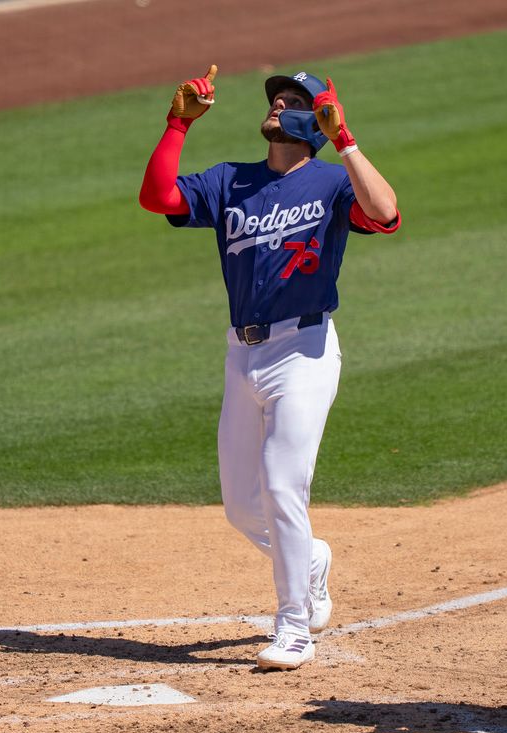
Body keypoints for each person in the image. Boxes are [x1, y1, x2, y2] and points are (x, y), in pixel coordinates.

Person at [139, 66, 400, 670]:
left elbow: (385, 213)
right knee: (241, 505)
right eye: (276, 98)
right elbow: (158, 198)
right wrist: (178, 122)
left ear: (316, 119)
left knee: (284, 486)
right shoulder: (232, 181)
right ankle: (310, 560)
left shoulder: (333, 183)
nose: (279, 104)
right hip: (242, 354)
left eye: (293, 101)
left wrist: (348, 140)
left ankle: (293, 628)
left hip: (304, 352)